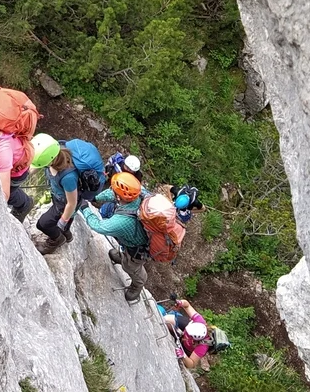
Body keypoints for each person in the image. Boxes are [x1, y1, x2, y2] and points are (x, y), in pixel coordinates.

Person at [78, 172, 148, 302]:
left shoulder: (121, 221)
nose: (111, 191)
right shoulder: (138, 193)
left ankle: (138, 284)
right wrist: (95, 198)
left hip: (138, 250)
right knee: (126, 255)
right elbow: (113, 194)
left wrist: (85, 208)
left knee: (131, 267)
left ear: (120, 196)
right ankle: (122, 257)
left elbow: (98, 226)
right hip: (134, 238)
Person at [29, 135, 81, 254]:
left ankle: (58, 239)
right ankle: (66, 234)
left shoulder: (68, 177)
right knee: (65, 224)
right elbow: (37, 166)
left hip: (65, 204)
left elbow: (72, 203)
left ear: (49, 161)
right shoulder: (54, 154)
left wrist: (61, 223)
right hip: (59, 198)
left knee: (43, 224)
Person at [164, 297, 211, 369]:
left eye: (189, 335)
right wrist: (180, 302)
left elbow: (191, 364)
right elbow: (187, 305)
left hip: (186, 348)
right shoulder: (199, 321)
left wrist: (184, 356)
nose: (187, 335)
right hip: (184, 328)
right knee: (167, 319)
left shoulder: (202, 347)